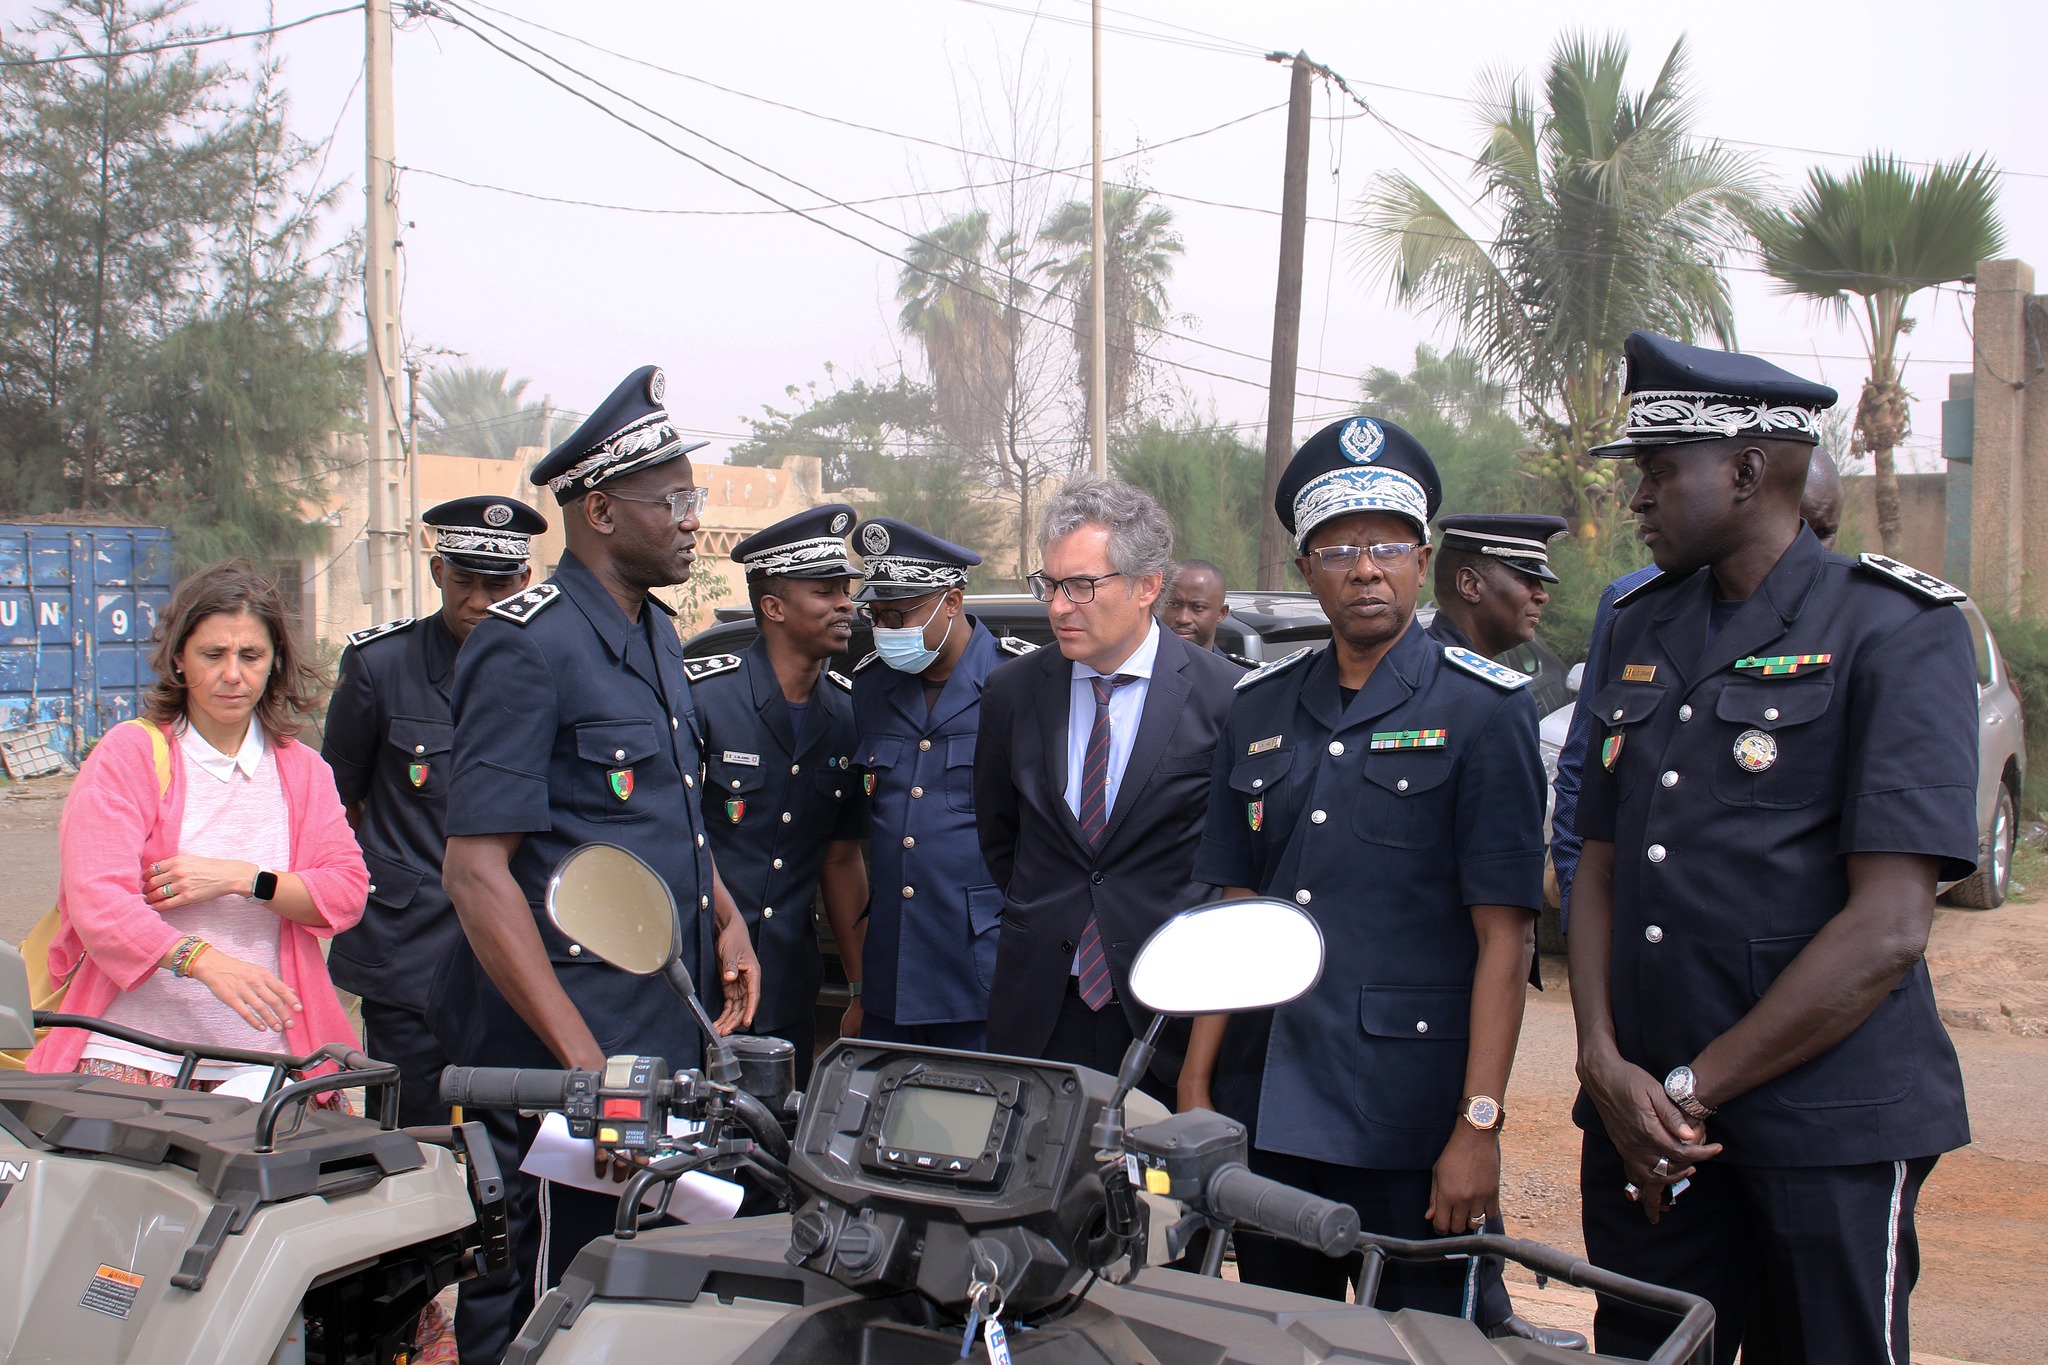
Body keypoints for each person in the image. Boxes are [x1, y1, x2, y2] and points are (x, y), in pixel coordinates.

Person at [1568, 332, 1977, 1364]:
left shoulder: (1893, 627)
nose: (1637, 500)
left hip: (1821, 1121)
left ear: (1746, 472)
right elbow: (1600, 860)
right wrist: (1601, 1061)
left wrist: (1689, 1090)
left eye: (1659, 473)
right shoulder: (1636, 624)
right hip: (1643, 1119)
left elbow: (1887, 927)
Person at [1179, 416, 1548, 1336]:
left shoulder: (1482, 710)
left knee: (1425, 1345)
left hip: (1410, 1121)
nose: (1365, 568)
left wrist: (1479, 1126)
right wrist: (1194, 1089)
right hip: (1269, 1105)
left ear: (1422, 561)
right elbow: (1233, 910)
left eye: (1387, 544)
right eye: (1338, 548)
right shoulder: (1258, 707)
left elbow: (1505, 938)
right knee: (1278, 1341)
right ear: (1308, 568)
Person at [438, 366, 761, 1364]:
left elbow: (658, 816)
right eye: (671, 502)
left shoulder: (658, 637)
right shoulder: (524, 647)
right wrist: (582, 1072)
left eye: (692, 498)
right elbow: (476, 871)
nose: (690, 522)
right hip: (566, 1067)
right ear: (603, 510)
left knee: (644, 1300)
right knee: (552, 1302)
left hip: (664, 1030)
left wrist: (723, 914)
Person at [27, 559, 367, 1089]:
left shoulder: (304, 770)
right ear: (180, 660)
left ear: (275, 662)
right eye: (213, 654)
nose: (233, 673)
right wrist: (202, 961)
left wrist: (244, 878)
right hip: (134, 1055)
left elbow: (346, 892)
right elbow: (100, 904)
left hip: (268, 1065)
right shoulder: (131, 754)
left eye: (251, 655)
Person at [977, 476, 1241, 1091]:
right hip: (1040, 1003)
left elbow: (1231, 864)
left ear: (1148, 586)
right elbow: (1001, 838)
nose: (1058, 606)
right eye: (1049, 585)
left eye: (1081, 586)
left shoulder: (1223, 697)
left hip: (1165, 1009)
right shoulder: (1013, 692)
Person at [322, 494, 548, 1127]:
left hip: (513, 942)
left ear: (524, 581)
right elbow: (337, 799)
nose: (479, 600)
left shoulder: (545, 667)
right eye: (464, 581)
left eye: (498, 583)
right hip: (409, 946)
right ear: (436, 574)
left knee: (510, 1124)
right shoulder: (380, 666)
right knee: (411, 1131)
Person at [1552, 452, 1848, 924]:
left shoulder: (1864, 626)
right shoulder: (1637, 610)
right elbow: (1585, 770)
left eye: (1821, 529)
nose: (1800, 544)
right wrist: (1579, 908)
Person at [686, 504, 868, 1087]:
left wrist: (860, 989)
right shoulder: (706, 700)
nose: (847, 604)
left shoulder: (846, 714)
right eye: (826, 592)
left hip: (787, 980)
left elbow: (840, 859)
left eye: (847, 590)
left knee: (773, 1147)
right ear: (774, 607)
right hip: (697, 975)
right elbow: (674, 833)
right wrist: (725, 922)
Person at [846, 517, 1024, 1051]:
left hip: (979, 970)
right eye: (876, 615)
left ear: (952, 600)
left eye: (901, 614)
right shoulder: (872, 686)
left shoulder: (1016, 683)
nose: (886, 629)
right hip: (891, 971)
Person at [1426, 514, 1568, 658]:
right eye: (1526, 579)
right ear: (1470, 585)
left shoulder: (1429, 665)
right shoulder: (1435, 674)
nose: (1543, 596)